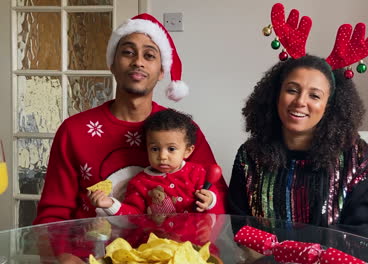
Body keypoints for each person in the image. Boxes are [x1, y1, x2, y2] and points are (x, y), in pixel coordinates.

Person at [34, 13, 228, 225]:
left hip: (170, 253)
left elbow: (217, 201)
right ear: (112, 64)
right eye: (128, 52)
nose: (138, 62)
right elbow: (52, 215)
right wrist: (63, 256)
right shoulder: (74, 131)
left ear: (162, 70)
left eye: (149, 56)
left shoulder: (181, 131)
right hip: (90, 254)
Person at [228, 54, 368, 242]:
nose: (300, 101)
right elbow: (239, 225)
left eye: (314, 95)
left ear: (329, 106)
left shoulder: (357, 158)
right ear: (276, 95)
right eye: (292, 90)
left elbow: (365, 233)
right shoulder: (250, 156)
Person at [88, 109, 225, 215]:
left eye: (171, 149)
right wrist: (110, 204)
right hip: (154, 247)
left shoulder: (197, 173)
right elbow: (133, 216)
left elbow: (215, 201)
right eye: (155, 149)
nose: (162, 156)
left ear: (188, 151)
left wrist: (210, 200)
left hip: (195, 247)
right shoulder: (139, 183)